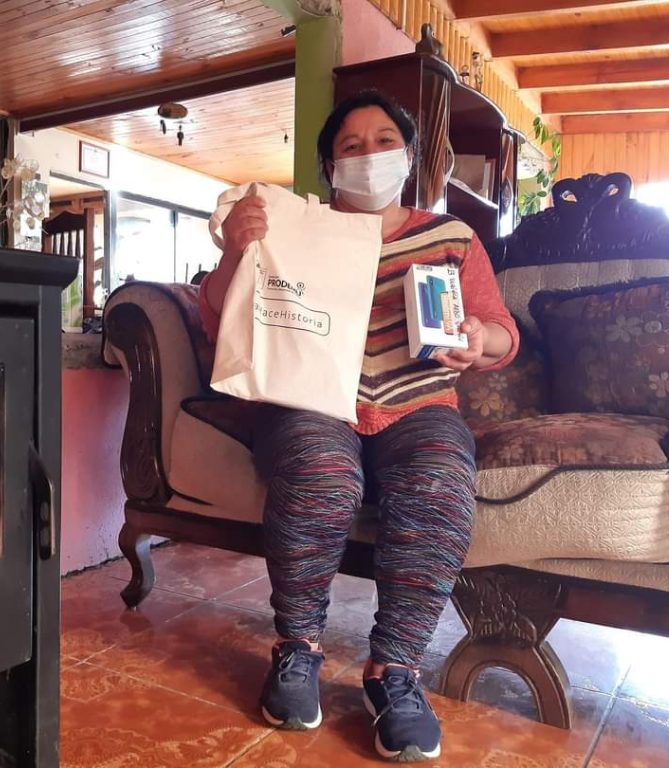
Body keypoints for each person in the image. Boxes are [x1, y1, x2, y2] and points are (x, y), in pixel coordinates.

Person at [196, 89, 519, 763]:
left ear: (409, 156)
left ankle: (394, 669)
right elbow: (217, 316)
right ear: (329, 166)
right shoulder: (293, 228)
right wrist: (234, 252)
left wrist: (479, 338)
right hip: (309, 399)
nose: (368, 155)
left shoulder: (451, 237)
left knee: (438, 479)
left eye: (383, 142)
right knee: (322, 471)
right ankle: (297, 647)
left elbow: (501, 332)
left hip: (419, 404)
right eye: (350, 146)